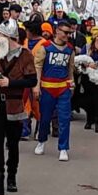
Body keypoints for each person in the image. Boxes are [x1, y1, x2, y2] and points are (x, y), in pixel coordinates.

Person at [0, 20, 35, 195]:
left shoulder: (25, 55)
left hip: (14, 104)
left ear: (10, 37)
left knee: (12, 143)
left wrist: (11, 82)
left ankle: (11, 177)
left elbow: (32, 80)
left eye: (1, 36)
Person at [33, 18, 76, 161]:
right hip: (47, 88)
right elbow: (38, 67)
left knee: (64, 119)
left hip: (63, 88)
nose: (67, 35)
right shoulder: (45, 47)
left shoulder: (70, 50)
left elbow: (70, 68)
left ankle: (63, 148)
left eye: (69, 33)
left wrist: (71, 83)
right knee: (44, 118)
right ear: (57, 31)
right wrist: (36, 86)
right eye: (65, 32)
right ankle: (41, 140)